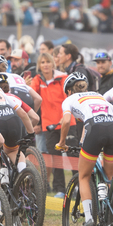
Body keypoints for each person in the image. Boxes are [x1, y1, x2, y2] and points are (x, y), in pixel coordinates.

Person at [56, 72, 113, 226]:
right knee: (112, 174)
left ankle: (89, 218)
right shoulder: (98, 96)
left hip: (94, 130)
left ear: (68, 91)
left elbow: (67, 121)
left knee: (83, 176)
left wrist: (62, 143)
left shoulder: (69, 99)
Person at [30, 53, 69, 195]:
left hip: (67, 123)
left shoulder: (63, 78)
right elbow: (32, 97)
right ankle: (60, 189)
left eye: (48, 62)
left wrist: (65, 118)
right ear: (39, 66)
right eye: (42, 62)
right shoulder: (37, 80)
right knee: (55, 158)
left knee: (73, 157)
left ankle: (77, 187)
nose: (45, 64)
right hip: (49, 126)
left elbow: (67, 100)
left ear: (53, 63)